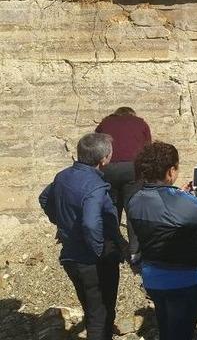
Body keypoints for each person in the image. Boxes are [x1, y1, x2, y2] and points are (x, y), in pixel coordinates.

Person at [127, 142, 197, 340]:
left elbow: (163, 212)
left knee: (166, 326)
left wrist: (179, 195)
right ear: (170, 171)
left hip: (152, 276)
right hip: (183, 278)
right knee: (182, 332)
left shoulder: (135, 199)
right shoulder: (177, 201)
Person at [39, 133, 123, 340]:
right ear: (104, 159)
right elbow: (91, 223)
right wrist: (98, 251)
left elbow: (44, 198)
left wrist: (62, 223)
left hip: (71, 256)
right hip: (92, 261)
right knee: (100, 314)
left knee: (91, 308)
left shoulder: (63, 176)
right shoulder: (95, 187)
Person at [95, 107, 151, 252]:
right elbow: (148, 148)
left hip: (109, 168)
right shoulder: (140, 123)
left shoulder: (105, 122)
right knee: (132, 206)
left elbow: (96, 145)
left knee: (112, 207)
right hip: (133, 168)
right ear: (132, 114)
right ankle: (135, 250)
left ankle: (113, 246)